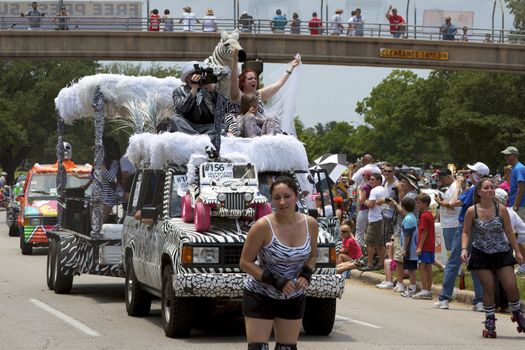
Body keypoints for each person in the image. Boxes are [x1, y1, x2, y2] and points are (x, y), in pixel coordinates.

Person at [239, 176, 318, 350]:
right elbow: (245, 262)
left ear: (296, 196)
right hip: (260, 293)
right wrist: (275, 280)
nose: (282, 202)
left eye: (287, 196)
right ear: (271, 200)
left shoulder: (310, 224)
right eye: (276, 198)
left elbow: (312, 256)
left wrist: (306, 274)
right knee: (258, 347)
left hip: (292, 296)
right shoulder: (262, 226)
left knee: (287, 348)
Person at [461, 178, 524, 337]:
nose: (490, 190)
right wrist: (463, 249)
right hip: (481, 254)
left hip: (501, 252)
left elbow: (509, 232)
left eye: (492, 188)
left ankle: (517, 314)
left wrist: (517, 251)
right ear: (479, 191)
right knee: (489, 288)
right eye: (486, 188)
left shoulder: (501, 209)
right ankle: (490, 320)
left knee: (511, 285)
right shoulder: (472, 211)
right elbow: (466, 232)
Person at [170, 61, 227, 152]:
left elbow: (225, 107)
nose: (198, 77)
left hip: (207, 126)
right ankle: (197, 138)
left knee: (222, 126)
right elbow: (182, 109)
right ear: (187, 77)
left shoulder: (207, 89)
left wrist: (213, 91)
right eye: (194, 74)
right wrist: (194, 89)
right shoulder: (178, 91)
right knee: (175, 119)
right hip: (188, 125)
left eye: (200, 74)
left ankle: (201, 137)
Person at [230, 50, 300, 116]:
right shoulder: (237, 95)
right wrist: (235, 60)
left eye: (255, 78)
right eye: (250, 79)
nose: (254, 80)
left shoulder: (259, 95)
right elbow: (234, 80)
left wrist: (291, 67)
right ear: (242, 83)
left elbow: (279, 84)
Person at [433, 168, 463, 309]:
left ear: (447, 176)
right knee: (452, 252)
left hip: (453, 223)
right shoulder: (452, 187)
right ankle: (458, 270)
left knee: (453, 254)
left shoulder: (456, 186)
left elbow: (452, 205)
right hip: (448, 223)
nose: (440, 181)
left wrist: (440, 202)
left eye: (440, 178)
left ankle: (458, 271)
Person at [390, 173, 419, 293]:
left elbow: (403, 212)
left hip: (403, 230)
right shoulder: (409, 195)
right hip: (402, 229)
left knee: (399, 258)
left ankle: (401, 284)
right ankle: (401, 282)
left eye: (404, 182)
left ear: (410, 185)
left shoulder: (410, 196)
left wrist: (395, 204)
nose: (400, 184)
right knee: (399, 258)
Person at [361, 173, 385, 271]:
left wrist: (366, 201)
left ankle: (370, 264)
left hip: (375, 219)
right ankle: (380, 263)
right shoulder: (383, 189)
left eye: (373, 179)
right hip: (381, 218)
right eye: (370, 179)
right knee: (379, 243)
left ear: (379, 181)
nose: (370, 181)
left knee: (369, 242)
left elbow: (371, 205)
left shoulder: (374, 190)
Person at [412, 193, 435, 300]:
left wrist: (420, 246)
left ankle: (425, 290)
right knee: (428, 267)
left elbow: (424, 231)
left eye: (418, 203)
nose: (417, 205)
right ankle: (428, 289)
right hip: (430, 245)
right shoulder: (429, 214)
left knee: (422, 267)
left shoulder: (424, 215)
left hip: (425, 245)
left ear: (425, 203)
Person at [400, 197, 419, 297]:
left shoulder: (407, 219)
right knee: (411, 269)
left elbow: (407, 235)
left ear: (403, 207)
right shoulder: (412, 217)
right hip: (412, 248)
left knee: (411, 270)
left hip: (410, 249)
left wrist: (404, 248)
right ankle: (412, 288)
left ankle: (412, 288)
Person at [101, 138, 122, 223]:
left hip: (107, 197)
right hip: (98, 196)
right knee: (94, 224)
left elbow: (113, 179)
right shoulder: (101, 161)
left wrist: (104, 169)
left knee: (99, 223)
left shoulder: (114, 162)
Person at [501, 146, 525, 221]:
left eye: (508, 155)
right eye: (505, 155)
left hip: (520, 206)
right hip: (516, 205)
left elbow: (521, 189)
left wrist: (515, 206)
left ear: (515, 155)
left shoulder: (519, 168)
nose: (506, 157)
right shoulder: (514, 168)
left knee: (521, 231)